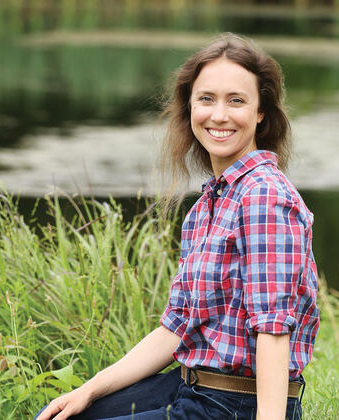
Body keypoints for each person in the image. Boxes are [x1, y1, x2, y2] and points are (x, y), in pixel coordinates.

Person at [35, 32, 319, 420]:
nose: (219, 115)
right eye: (206, 99)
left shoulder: (264, 197)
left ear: (260, 112)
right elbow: (176, 329)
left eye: (236, 100)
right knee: (59, 416)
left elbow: (272, 332)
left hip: (238, 405)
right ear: (189, 107)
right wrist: (88, 390)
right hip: (189, 385)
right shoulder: (207, 207)